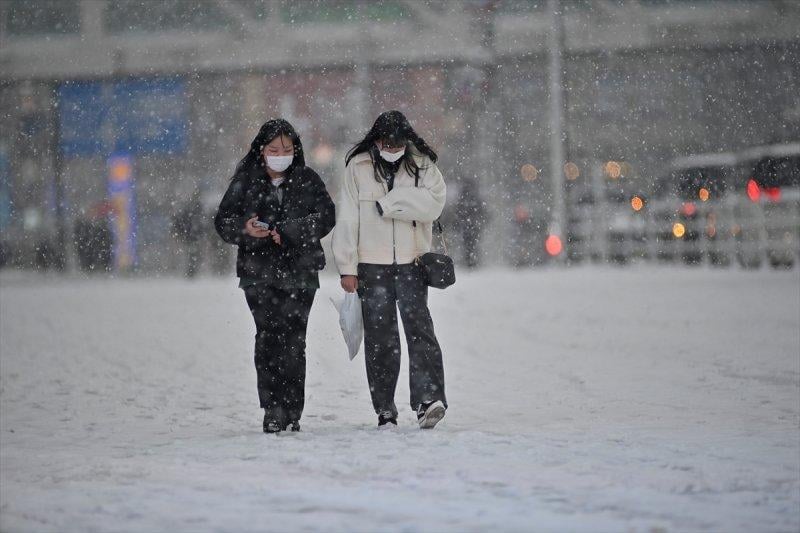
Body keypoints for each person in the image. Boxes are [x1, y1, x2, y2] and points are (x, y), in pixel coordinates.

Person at [214, 119, 335, 434]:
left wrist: (293, 231)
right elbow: (223, 221)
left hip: (301, 272)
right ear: (261, 151)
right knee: (268, 337)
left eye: (287, 149)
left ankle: (293, 408)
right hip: (259, 273)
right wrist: (246, 228)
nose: (281, 155)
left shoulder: (307, 180)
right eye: (274, 149)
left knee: (295, 340)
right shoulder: (245, 182)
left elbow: (326, 216)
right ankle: (272, 407)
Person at [332, 110, 448, 430]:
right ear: (376, 140)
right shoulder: (357, 168)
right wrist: (346, 266)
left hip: (412, 264)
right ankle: (384, 408)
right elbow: (347, 219)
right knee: (381, 340)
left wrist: (393, 201)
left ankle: (428, 401)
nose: (392, 149)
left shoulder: (423, 166)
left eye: (398, 144)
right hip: (371, 267)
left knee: (420, 333)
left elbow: (435, 202)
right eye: (386, 143)